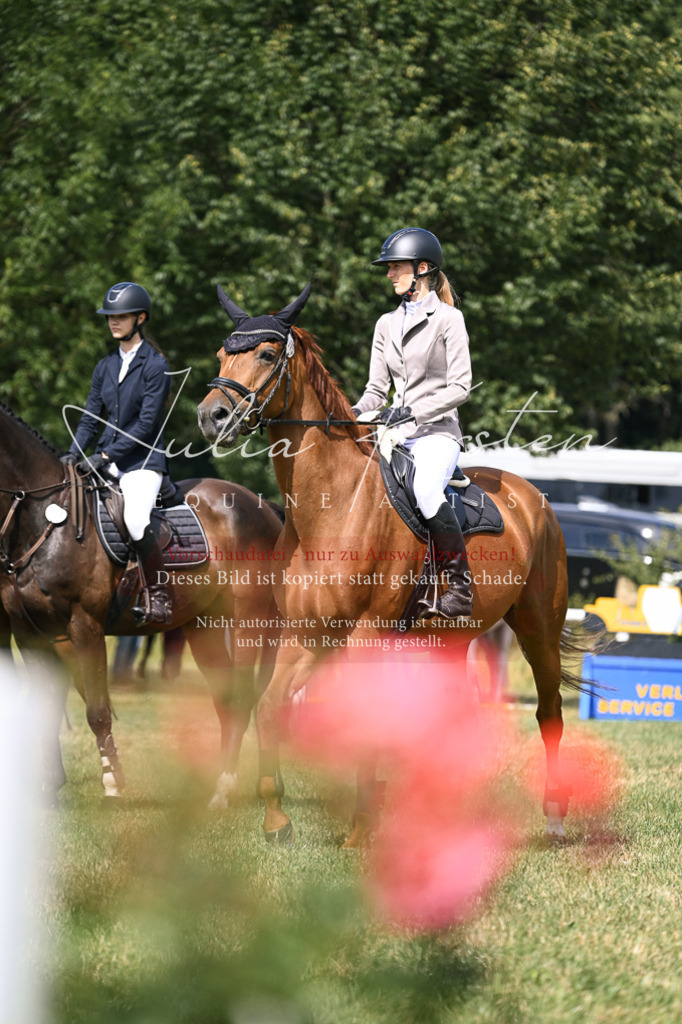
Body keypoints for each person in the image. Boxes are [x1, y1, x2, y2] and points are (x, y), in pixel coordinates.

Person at [352, 228, 473, 619]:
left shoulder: (449, 320)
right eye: (389, 268)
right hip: (394, 434)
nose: (389, 274)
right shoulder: (385, 324)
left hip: (437, 433)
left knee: (424, 489)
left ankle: (459, 587)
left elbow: (461, 387)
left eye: (395, 267)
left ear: (422, 269)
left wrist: (413, 412)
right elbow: (375, 390)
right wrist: (353, 415)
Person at [63, 282, 173, 625]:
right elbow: (88, 420)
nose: (113, 321)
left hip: (142, 463)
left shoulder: (156, 366)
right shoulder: (105, 366)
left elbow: (145, 427)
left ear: (140, 318)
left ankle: (159, 596)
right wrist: (72, 455)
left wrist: (105, 457)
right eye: (110, 316)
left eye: (121, 316)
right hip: (104, 462)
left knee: (137, 520)